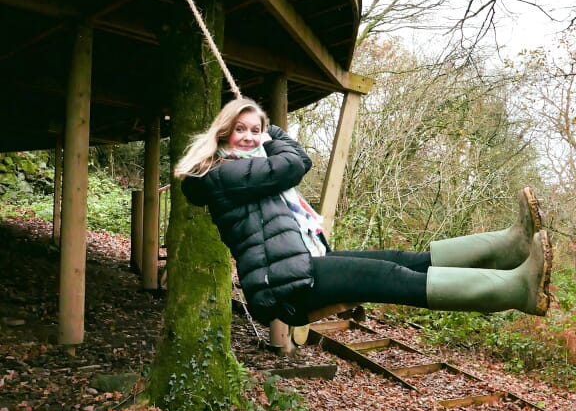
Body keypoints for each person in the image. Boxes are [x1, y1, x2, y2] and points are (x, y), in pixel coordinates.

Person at [175, 98, 553, 328]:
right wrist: (274, 132)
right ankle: (517, 289)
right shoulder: (223, 174)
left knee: (409, 260)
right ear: (223, 134)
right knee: (394, 277)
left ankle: (508, 248)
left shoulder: (243, 171)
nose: (250, 136)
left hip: (304, 263)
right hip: (286, 286)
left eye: (255, 130)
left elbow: (286, 175)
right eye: (240, 129)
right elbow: (295, 163)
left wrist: (266, 136)